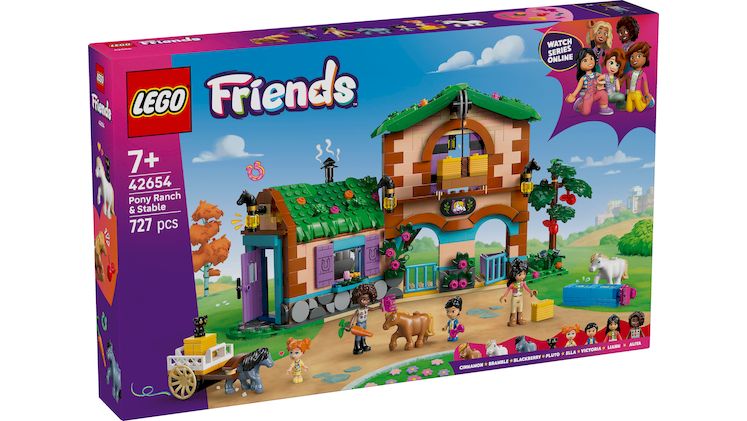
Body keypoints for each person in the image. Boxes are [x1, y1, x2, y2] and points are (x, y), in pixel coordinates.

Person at [565, 48, 613, 116]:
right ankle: (579, 105)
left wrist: (608, 78)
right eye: (585, 60)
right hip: (586, 97)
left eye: (591, 58)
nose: (590, 62)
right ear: (579, 63)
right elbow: (578, 88)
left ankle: (604, 108)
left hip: (595, 94)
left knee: (603, 93)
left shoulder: (596, 74)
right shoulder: (583, 78)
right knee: (586, 113)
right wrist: (573, 95)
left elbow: (604, 77)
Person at [500, 259, 538, 326]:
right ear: (514, 274)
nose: (522, 276)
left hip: (520, 298)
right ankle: (512, 320)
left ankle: (520, 319)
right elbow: (508, 290)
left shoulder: (522, 283)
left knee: (520, 308)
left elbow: (527, 288)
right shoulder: (512, 284)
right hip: (514, 298)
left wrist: (531, 292)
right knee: (513, 309)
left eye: (524, 274)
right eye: (520, 274)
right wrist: (504, 296)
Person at [622, 42, 654, 112]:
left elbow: (645, 85)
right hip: (630, 94)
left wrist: (647, 94)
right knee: (629, 109)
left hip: (637, 93)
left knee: (640, 109)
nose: (634, 59)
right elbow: (624, 78)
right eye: (632, 57)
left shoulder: (643, 74)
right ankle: (634, 104)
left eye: (638, 56)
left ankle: (648, 101)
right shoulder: (630, 73)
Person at [348, 284, 377, 355]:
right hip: (359, 324)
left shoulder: (366, 308)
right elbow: (354, 317)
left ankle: (363, 344)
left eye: (368, 299)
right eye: (364, 299)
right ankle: (357, 347)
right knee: (358, 335)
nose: (366, 301)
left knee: (363, 334)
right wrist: (350, 324)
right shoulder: (358, 310)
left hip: (364, 323)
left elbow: (372, 309)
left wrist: (379, 307)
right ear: (357, 299)